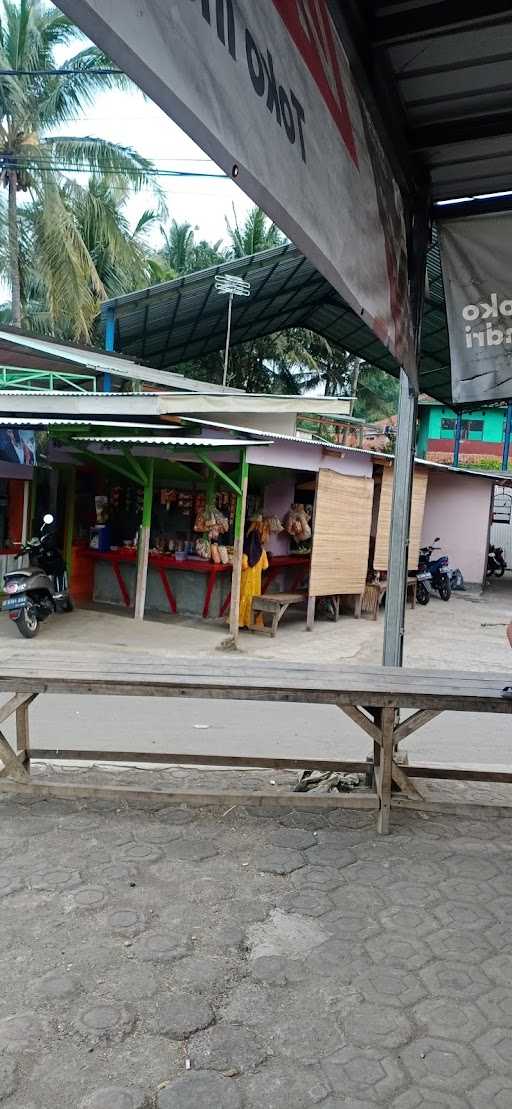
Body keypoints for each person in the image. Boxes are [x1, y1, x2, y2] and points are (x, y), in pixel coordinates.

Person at [238, 516, 269, 629]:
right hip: (256, 585)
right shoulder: (263, 553)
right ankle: (252, 622)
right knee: (254, 601)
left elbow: (243, 566)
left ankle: (241, 622)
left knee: (243, 599)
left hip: (245, 584)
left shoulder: (245, 554)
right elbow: (265, 566)